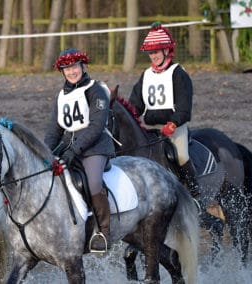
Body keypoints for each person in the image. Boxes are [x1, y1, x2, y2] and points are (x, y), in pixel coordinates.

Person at [44, 48, 115, 252]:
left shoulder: (96, 90)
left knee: (93, 183)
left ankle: (103, 232)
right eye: (67, 69)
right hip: (68, 146)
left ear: (83, 67)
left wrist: (74, 150)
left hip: (95, 146)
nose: (71, 72)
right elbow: (53, 129)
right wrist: (46, 153)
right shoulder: (62, 95)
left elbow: (96, 126)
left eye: (74, 67)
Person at [128, 22, 200, 198]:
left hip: (174, 127)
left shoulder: (178, 73)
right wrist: (130, 117)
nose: (154, 56)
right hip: (152, 129)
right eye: (151, 52)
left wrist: (174, 123)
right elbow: (135, 104)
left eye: (157, 51)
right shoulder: (146, 75)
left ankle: (194, 193)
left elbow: (184, 106)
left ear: (166, 51)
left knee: (181, 156)